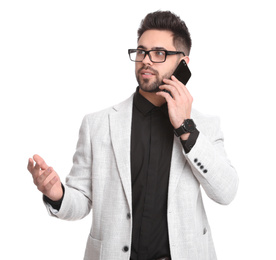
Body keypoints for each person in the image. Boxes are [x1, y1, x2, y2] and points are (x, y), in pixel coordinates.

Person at [27, 11, 238, 260]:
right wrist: (57, 195)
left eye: (159, 53)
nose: (146, 60)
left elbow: (226, 192)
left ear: (183, 63)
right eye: (141, 51)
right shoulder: (98, 124)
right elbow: (81, 201)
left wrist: (185, 127)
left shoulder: (203, 126)